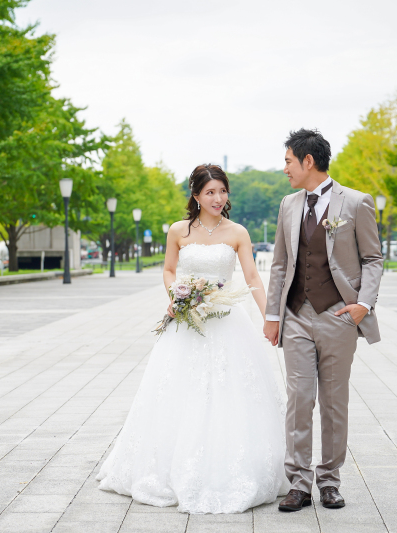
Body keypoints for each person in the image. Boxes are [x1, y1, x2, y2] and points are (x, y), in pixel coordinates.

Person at [96, 164, 288, 514]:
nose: (218, 198)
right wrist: (177, 297)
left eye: (223, 191)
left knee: (230, 394)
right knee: (179, 393)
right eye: (210, 192)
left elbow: (252, 277)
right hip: (187, 324)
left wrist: (269, 317)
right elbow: (169, 270)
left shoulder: (238, 232)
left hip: (228, 323)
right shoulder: (178, 231)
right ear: (196, 195)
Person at [263, 129, 383, 512]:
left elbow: (373, 259)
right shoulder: (288, 204)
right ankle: (298, 482)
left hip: (338, 316)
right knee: (299, 399)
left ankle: (330, 480)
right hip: (296, 314)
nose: (285, 168)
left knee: (334, 402)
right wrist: (272, 315)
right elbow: (281, 263)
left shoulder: (357, 203)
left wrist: (364, 304)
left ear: (307, 161)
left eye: (287, 161)